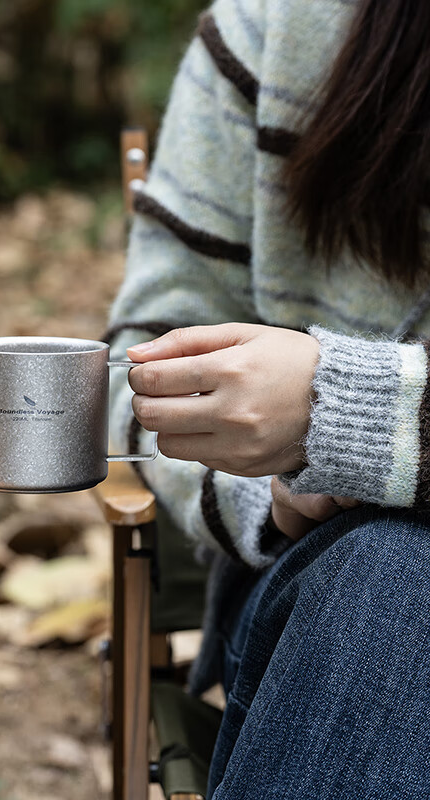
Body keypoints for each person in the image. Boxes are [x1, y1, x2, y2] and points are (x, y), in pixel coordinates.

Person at [106, 0, 430, 795]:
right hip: (346, 599)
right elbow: (140, 356)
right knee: (400, 574)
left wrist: (348, 410)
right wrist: (271, 487)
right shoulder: (278, 26)